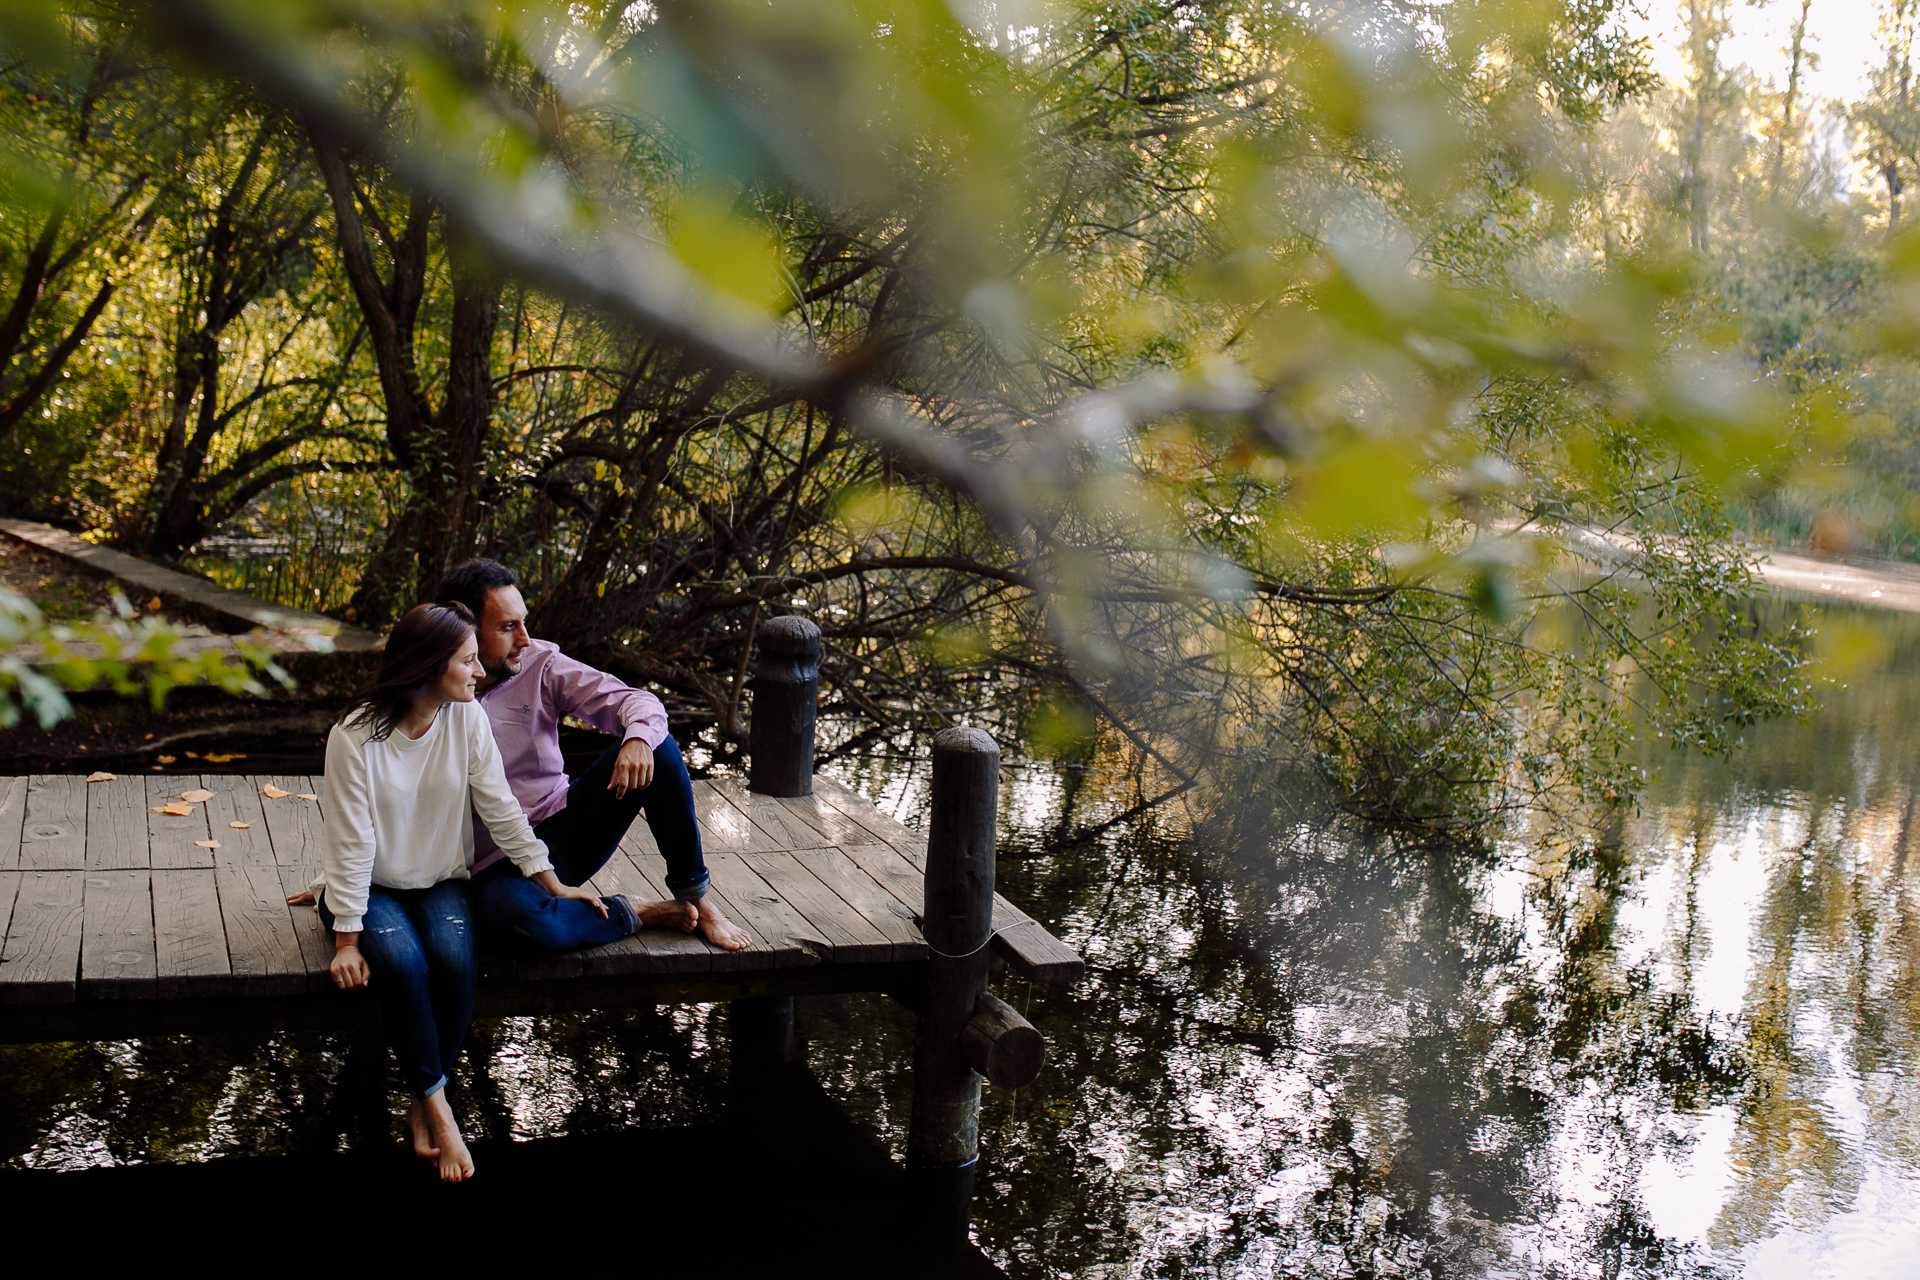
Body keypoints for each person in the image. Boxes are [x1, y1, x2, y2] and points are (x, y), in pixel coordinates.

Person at [289, 602, 591, 1181]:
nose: (481, 673)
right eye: (468, 661)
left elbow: (500, 808)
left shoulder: (466, 719)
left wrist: (550, 881)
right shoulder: (354, 736)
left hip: (439, 879)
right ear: (429, 665)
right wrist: (347, 939)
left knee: (454, 959)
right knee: (403, 965)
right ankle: (441, 1109)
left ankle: (424, 1094)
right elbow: (351, 843)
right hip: (369, 888)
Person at [433, 560, 752, 954]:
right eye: (507, 627)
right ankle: (634, 911)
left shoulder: (540, 666)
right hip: (492, 862)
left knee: (660, 748)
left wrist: (636, 739)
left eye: (524, 622)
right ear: (462, 628)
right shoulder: (432, 691)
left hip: (563, 830)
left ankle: (698, 901)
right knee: (521, 924)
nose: (525, 639)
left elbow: (634, 702)